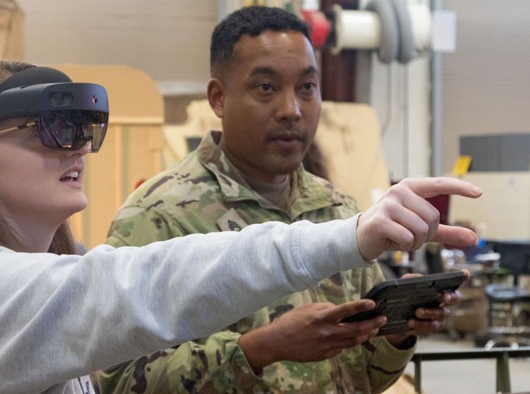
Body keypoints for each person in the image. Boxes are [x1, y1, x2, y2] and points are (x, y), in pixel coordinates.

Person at [0, 59, 480, 393]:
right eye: (51, 129)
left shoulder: (45, 270)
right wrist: (349, 236)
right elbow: (145, 284)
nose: (78, 147)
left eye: (84, 130)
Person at [98, 6, 465, 393]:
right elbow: (118, 380)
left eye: (307, 88)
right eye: (266, 88)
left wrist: (395, 335)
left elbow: (359, 376)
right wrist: (259, 350)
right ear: (218, 98)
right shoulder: (159, 216)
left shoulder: (337, 210)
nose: (292, 110)